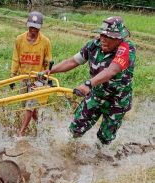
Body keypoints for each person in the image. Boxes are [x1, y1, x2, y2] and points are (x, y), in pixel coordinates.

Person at [45, 16, 136, 145]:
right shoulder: (93, 45)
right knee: (75, 129)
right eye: (102, 35)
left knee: (105, 138)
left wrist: (88, 84)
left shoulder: (126, 48)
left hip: (117, 101)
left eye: (108, 37)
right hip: (96, 96)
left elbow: (111, 70)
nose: (103, 39)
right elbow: (73, 61)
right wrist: (50, 71)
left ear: (118, 38)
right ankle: (69, 153)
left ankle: (99, 159)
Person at [10, 11, 52, 137]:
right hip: (24, 78)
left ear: (40, 27)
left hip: (38, 80)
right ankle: (38, 124)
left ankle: (21, 133)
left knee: (30, 106)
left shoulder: (45, 42)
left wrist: (47, 77)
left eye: (36, 28)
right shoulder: (19, 39)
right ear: (27, 25)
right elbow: (16, 58)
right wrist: (12, 76)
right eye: (31, 27)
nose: (33, 30)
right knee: (26, 106)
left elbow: (48, 61)